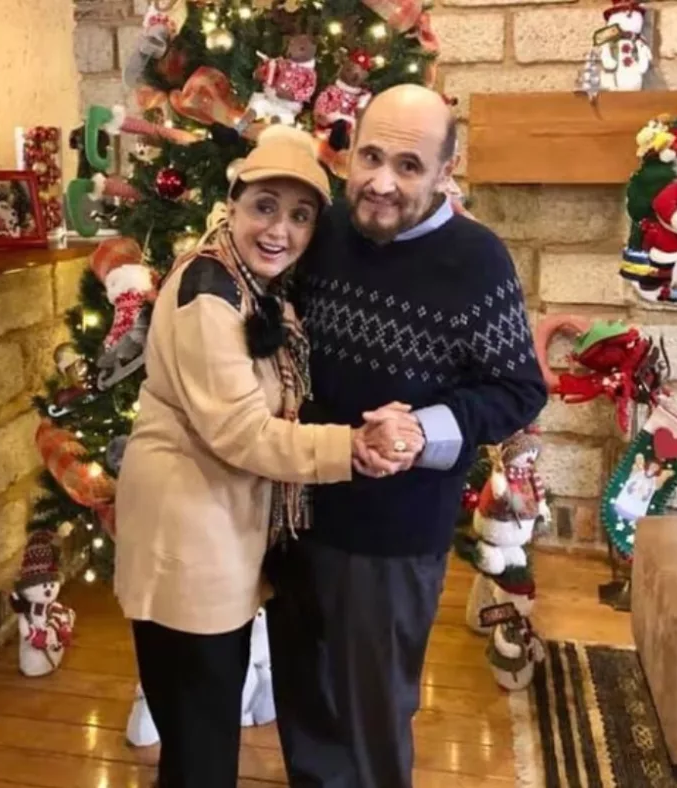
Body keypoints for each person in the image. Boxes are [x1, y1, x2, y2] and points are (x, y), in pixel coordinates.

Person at [113, 124, 423, 788]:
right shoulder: (209, 294)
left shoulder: (255, 285)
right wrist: (352, 447)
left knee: (203, 736)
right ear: (233, 203)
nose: (280, 229)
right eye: (265, 207)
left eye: (301, 216)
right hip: (185, 540)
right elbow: (242, 432)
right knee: (200, 745)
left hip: (217, 533)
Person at [265, 84, 549, 788]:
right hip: (292, 511)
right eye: (370, 157)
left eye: (409, 166)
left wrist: (424, 432)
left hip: (392, 536)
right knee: (303, 703)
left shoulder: (477, 260)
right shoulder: (321, 230)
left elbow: (518, 388)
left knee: (372, 717)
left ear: (447, 170)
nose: (382, 183)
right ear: (349, 152)